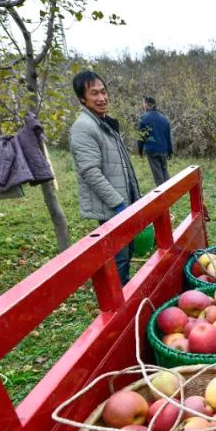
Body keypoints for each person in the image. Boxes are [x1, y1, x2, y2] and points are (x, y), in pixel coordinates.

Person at [69, 70, 141, 285]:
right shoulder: (84, 127)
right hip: (112, 206)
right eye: (94, 94)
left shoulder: (104, 123)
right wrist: (118, 203)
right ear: (82, 98)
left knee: (126, 252)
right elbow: (90, 172)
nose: (101, 98)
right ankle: (118, 307)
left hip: (123, 202)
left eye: (103, 92)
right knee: (118, 257)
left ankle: (125, 296)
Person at [137, 96, 173, 187]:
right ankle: (169, 192)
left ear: (146, 105)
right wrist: (170, 151)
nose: (143, 105)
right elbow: (168, 136)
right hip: (164, 150)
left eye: (143, 103)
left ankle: (162, 197)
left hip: (152, 150)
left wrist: (140, 151)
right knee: (164, 171)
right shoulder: (164, 118)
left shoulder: (143, 118)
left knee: (158, 175)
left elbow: (141, 137)